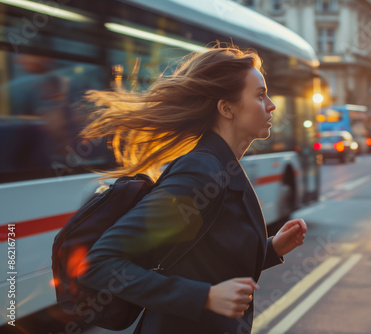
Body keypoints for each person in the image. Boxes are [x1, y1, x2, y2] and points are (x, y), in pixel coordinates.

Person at [75, 46, 308, 334]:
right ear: (226, 108)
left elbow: (206, 259)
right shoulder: (201, 171)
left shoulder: (223, 165)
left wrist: (271, 248)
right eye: (260, 95)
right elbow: (100, 263)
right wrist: (205, 297)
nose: (271, 105)